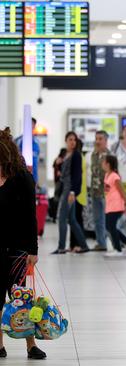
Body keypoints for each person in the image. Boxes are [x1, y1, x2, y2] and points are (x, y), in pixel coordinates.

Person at [0, 128, 47, 360]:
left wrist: (33, 250)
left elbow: (31, 215)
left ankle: (31, 345)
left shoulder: (23, 178)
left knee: (20, 296)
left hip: (18, 248)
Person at [52, 132, 89, 254]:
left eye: (74, 140)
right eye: (70, 139)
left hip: (70, 189)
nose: (73, 142)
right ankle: (84, 245)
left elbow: (77, 176)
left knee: (62, 218)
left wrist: (73, 192)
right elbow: (56, 165)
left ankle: (61, 247)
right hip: (63, 187)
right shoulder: (63, 153)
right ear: (66, 140)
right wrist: (57, 163)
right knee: (72, 220)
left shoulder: (76, 155)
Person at [102, 155, 126, 256]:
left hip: (116, 206)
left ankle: (118, 249)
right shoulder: (107, 174)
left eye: (103, 162)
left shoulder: (115, 176)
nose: (102, 164)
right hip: (109, 205)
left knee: (111, 227)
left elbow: (122, 192)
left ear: (108, 164)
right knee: (108, 226)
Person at [89, 130, 110, 251]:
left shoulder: (110, 156)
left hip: (106, 193)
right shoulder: (93, 155)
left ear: (106, 141)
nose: (97, 141)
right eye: (96, 138)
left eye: (100, 139)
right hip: (95, 191)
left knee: (108, 220)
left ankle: (121, 241)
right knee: (97, 219)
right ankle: (101, 243)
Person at [14, 117, 40, 185]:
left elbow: (37, 157)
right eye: (29, 124)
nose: (30, 126)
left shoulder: (37, 141)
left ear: (34, 126)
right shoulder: (18, 140)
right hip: (21, 173)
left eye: (32, 124)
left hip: (34, 174)